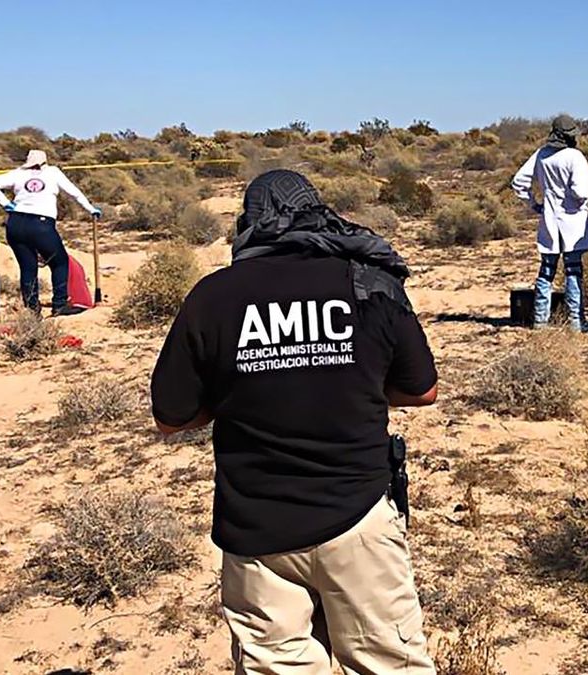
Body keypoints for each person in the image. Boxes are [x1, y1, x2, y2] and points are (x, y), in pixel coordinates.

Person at [151, 170, 438, 674]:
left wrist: (240, 390)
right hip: (359, 515)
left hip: (257, 527)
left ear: (251, 221)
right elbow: (421, 390)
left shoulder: (213, 296)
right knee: (390, 664)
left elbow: (170, 417)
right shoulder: (369, 281)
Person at [0, 150, 101, 317]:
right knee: (59, 262)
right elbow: (73, 192)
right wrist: (90, 209)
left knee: (28, 267)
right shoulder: (53, 172)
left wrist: (6, 203)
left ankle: (32, 310)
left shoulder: (17, 174)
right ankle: (59, 305)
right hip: (41, 224)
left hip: (16, 223)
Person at [511, 115, 588, 331]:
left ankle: (540, 320)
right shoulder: (575, 157)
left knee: (546, 269)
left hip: (549, 218)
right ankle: (576, 322)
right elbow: (580, 191)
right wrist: (580, 200)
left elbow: (519, 182)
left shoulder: (542, 154)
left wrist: (534, 204)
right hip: (573, 220)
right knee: (573, 270)